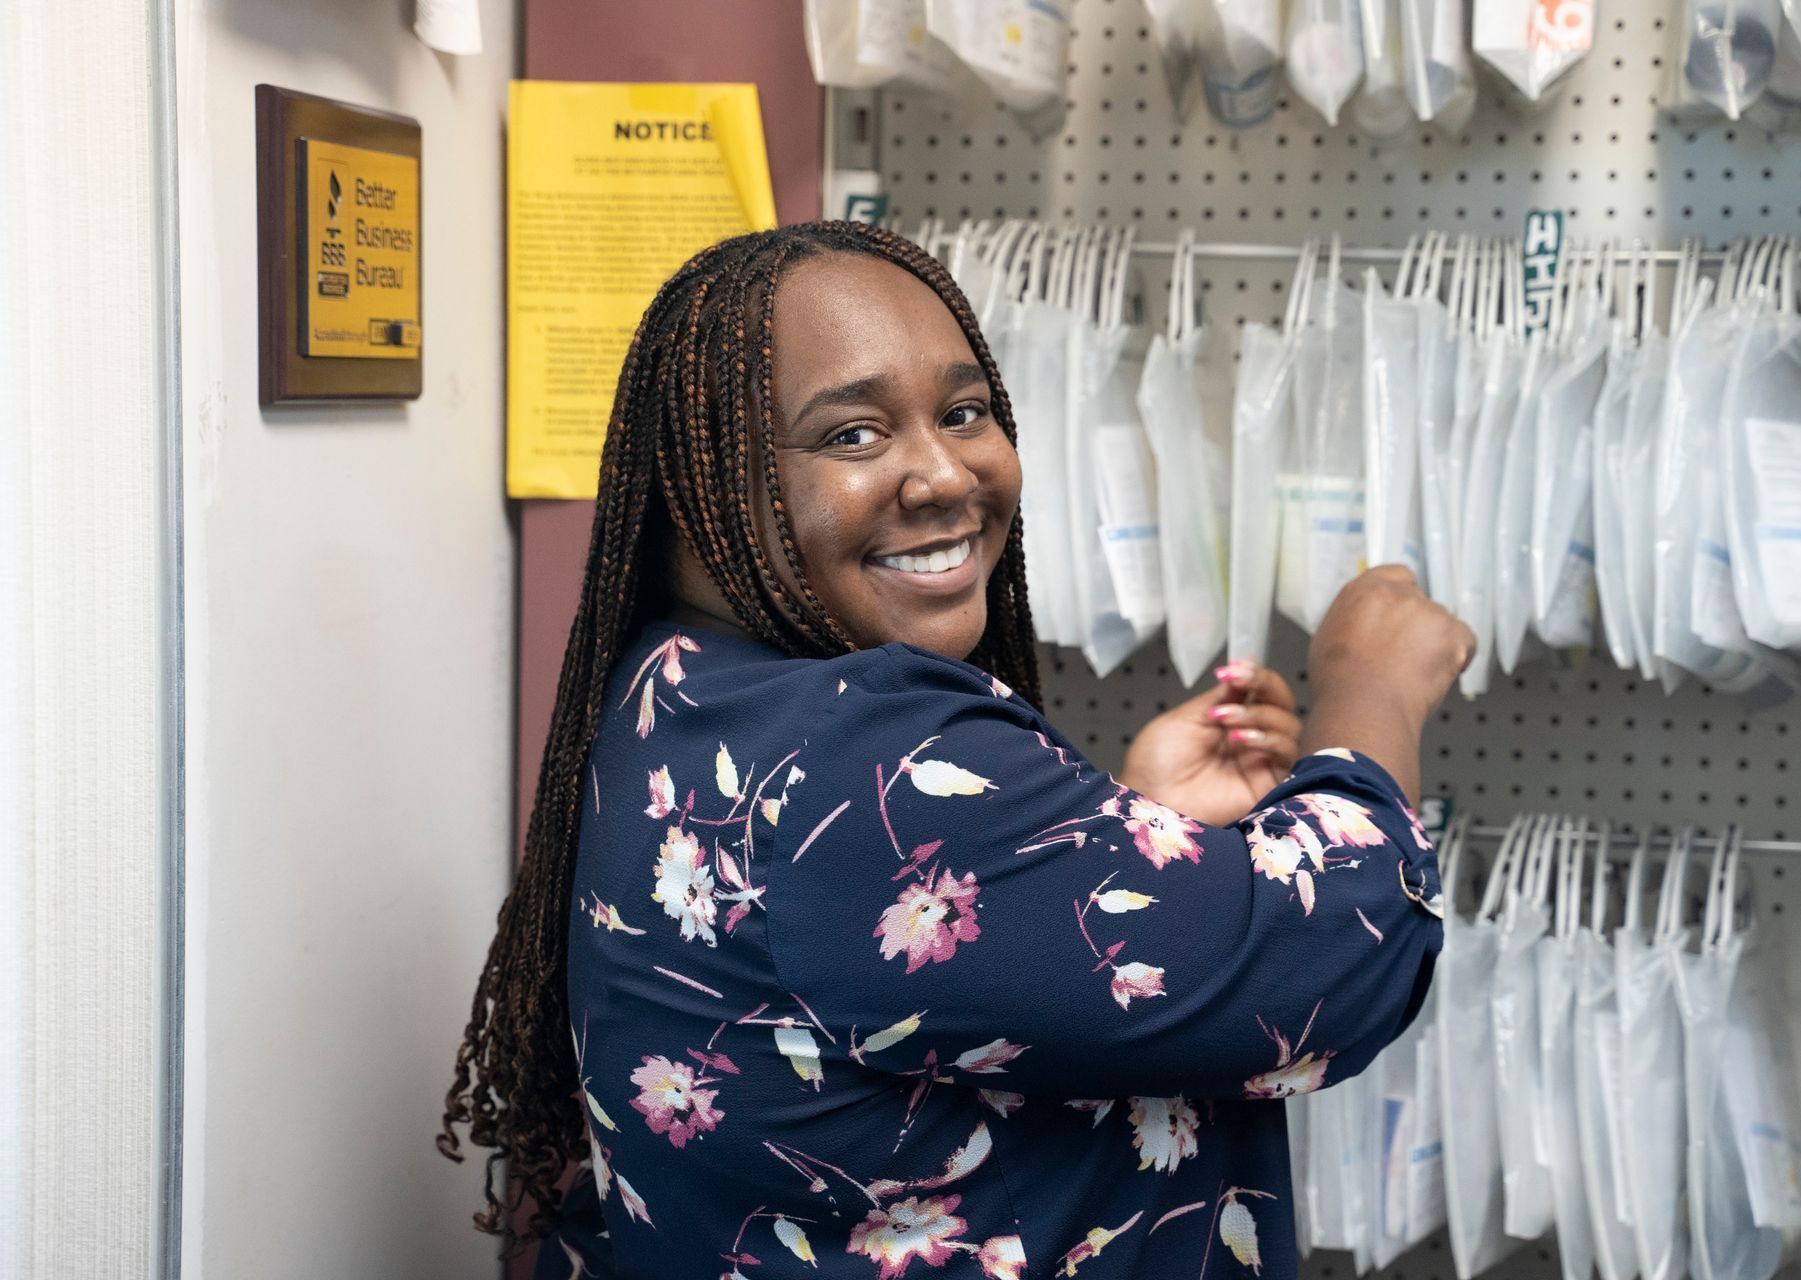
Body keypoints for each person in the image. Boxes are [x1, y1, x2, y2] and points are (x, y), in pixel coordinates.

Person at [439, 222, 1473, 1278]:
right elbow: (1334, 963)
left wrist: (1125, 834)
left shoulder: (681, 682)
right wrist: (1367, 691)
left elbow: (871, 963)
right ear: (696, 487)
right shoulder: (869, 749)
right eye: (851, 434)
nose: (943, 472)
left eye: (965, 411)